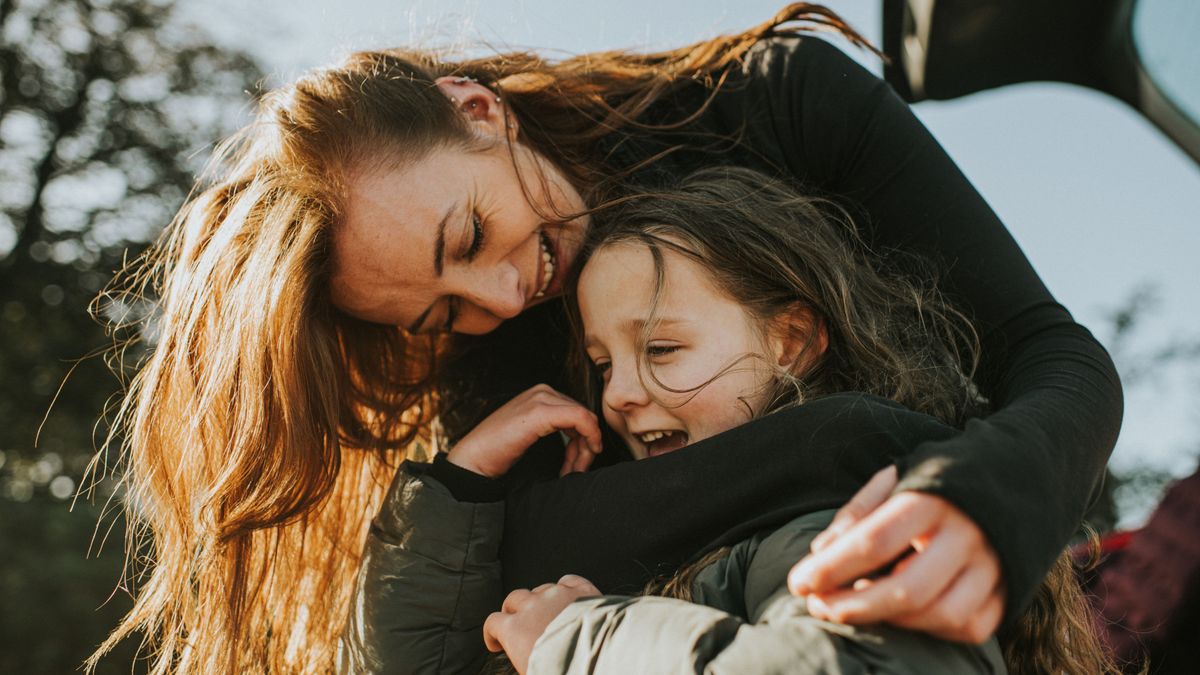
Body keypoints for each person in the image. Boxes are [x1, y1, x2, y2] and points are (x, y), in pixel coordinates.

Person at [90, 4, 1122, 673]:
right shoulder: (494, 346)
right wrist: (867, 442)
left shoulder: (776, 102)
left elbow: (1053, 362)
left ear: (479, 110)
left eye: (472, 234)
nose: (502, 296)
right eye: (439, 314)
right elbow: (527, 564)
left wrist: (983, 498)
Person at [346, 167, 1115, 675]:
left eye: (664, 348)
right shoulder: (691, 543)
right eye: (604, 364)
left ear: (793, 341)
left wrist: (575, 639)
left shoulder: (837, 514)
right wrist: (457, 487)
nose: (620, 394)